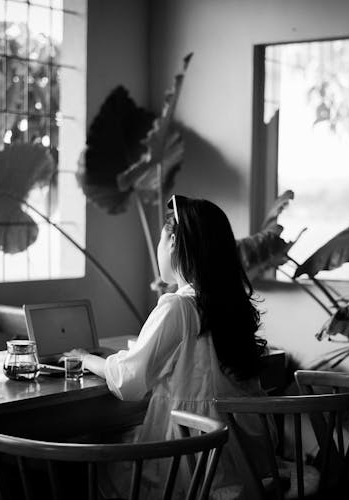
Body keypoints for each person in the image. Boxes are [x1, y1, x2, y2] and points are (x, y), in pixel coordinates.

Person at [64, 194, 271, 499]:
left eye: (162, 239)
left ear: (173, 242)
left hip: (190, 463)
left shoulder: (178, 307)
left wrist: (86, 359)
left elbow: (128, 381)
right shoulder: (230, 305)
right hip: (239, 462)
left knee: (94, 457)